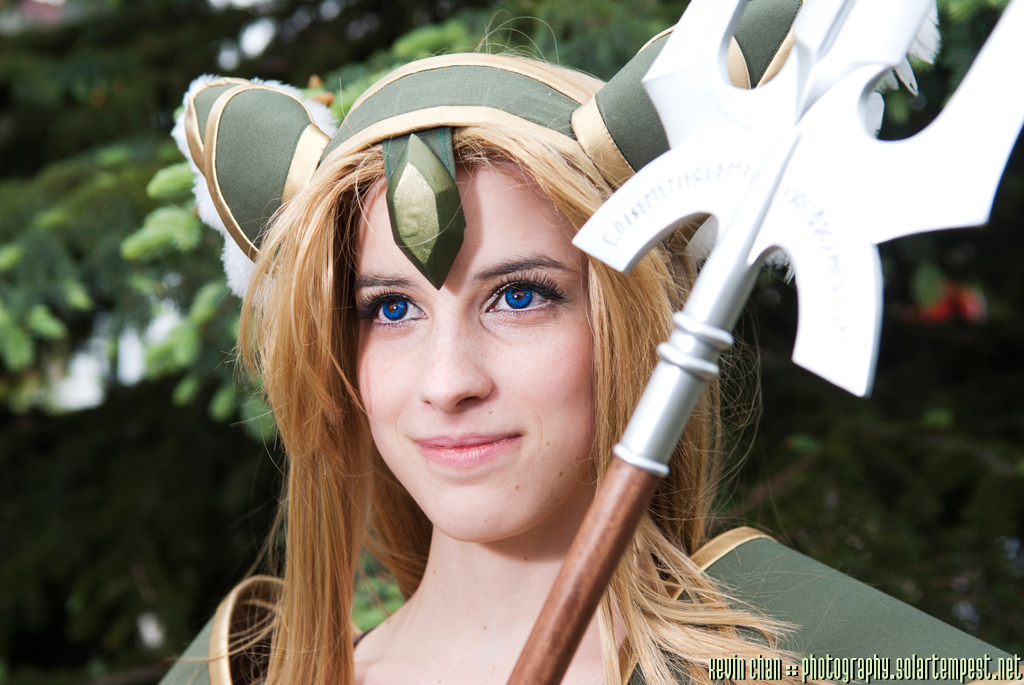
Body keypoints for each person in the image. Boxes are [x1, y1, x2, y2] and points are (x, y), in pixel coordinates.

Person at [159, 2, 1017, 684]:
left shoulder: (821, 660)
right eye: (389, 309)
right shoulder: (245, 673)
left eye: (520, 296)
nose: (447, 381)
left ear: (629, 326)